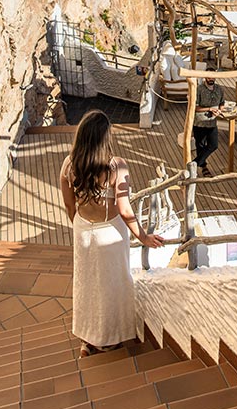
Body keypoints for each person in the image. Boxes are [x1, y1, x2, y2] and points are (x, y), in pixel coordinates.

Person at [60, 110, 164, 357]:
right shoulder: (117, 166)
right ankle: (111, 339)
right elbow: (125, 209)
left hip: (84, 230)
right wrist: (143, 237)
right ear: (104, 138)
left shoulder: (69, 165)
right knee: (112, 285)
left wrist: (80, 223)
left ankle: (88, 341)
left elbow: (68, 204)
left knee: (87, 285)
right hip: (111, 233)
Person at [193, 74, 225, 177]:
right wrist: (209, 109)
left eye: (213, 77)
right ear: (205, 78)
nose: (211, 79)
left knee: (213, 145)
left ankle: (193, 164)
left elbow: (222, 103)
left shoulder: (219, 89)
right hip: (200, 122)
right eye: (209, 77)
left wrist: (219, 111)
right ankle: (204, 167)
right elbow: (195, 107)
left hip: (212, 122)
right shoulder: (199, 89)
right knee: (200, 146)